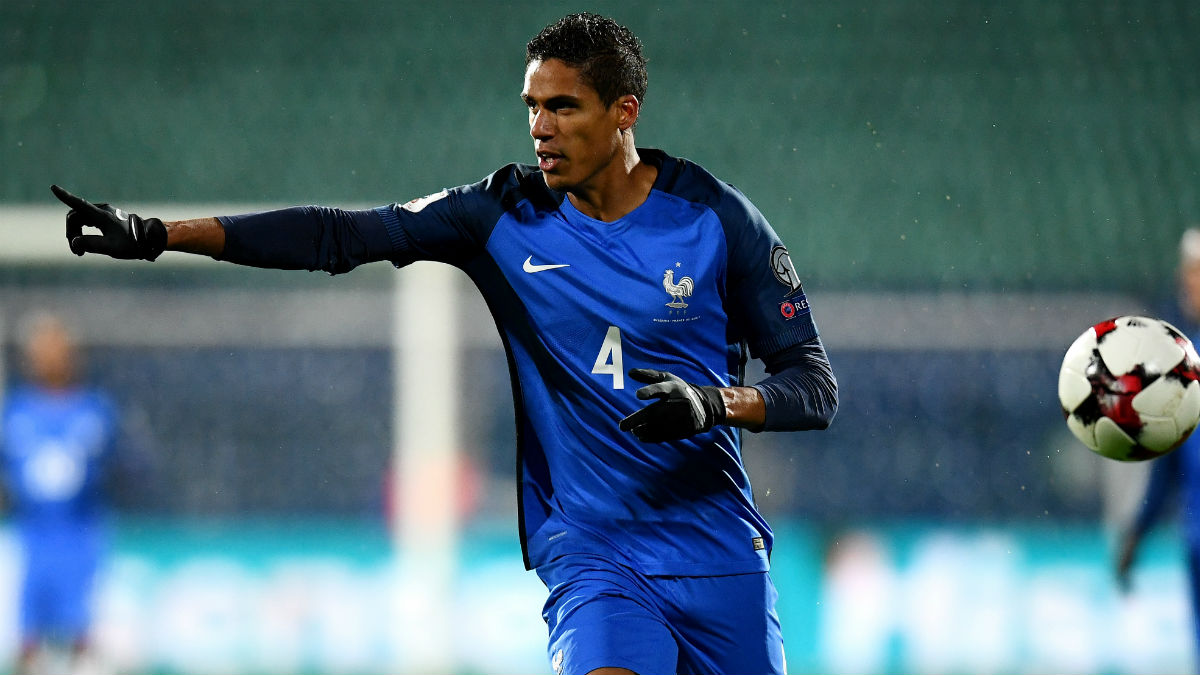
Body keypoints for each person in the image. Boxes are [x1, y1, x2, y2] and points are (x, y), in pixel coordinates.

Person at [49, 12, 837, 675]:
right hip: (595, 550)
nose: (540, 128)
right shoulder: (500, 216)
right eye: (531, 106)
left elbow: (814, 384)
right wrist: (159, 234)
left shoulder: (715, 219)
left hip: (716, 546)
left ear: (625, 111)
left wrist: (718, 403)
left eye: (563, 107)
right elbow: (339, 234)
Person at [1, 314, 120, 675]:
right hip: (31, 537)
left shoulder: (96, 410)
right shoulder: (14, 412)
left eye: (56, 349)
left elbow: (125, 468)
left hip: (81, 536)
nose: (49, 358)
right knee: (27, 644)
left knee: (81, 642)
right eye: (40, 351)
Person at [1116, 227, 1200, 665]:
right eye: (1188, 272)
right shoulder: (1181, 366)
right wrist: (1138, 532)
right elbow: (1169, 464)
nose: (1190, 283)